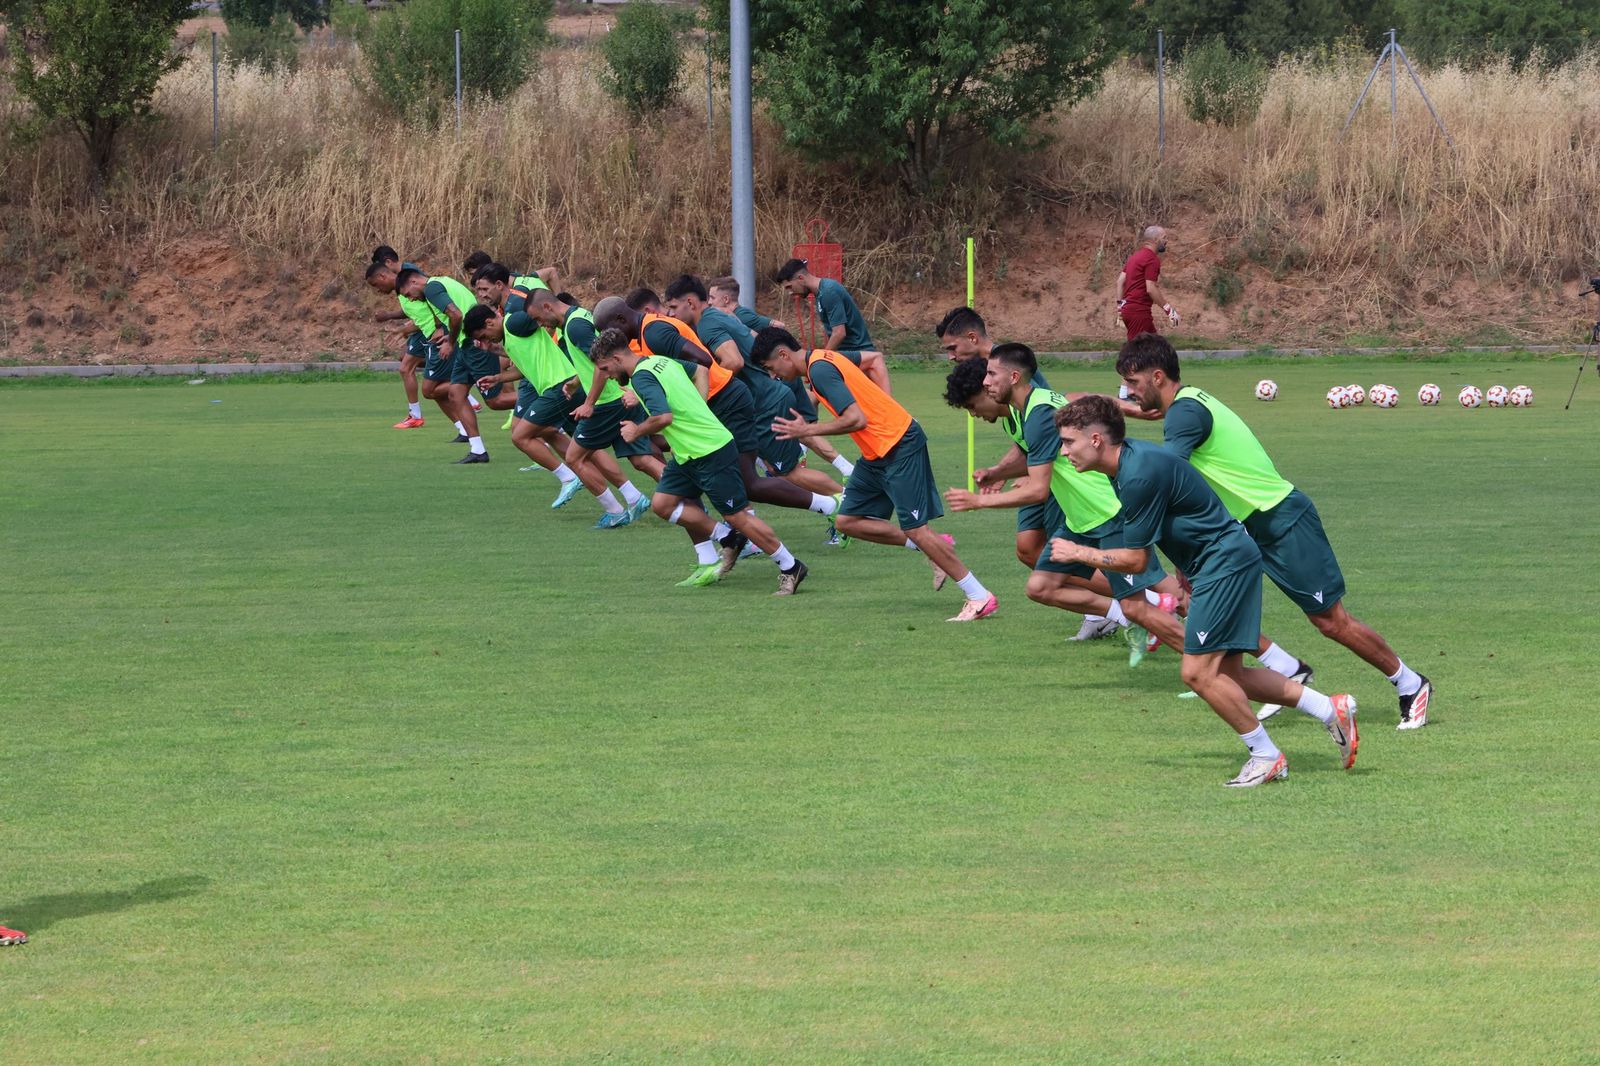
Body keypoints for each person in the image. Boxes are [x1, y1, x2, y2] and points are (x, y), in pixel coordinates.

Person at [1116, 333, 1433, 728]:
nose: (1128, 392)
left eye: (1132, 383)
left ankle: (1410, 682)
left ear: (1158, 377)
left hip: (1280, 519)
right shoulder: (1188, 403)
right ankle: (1285, 670)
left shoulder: (1184, 413)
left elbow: (1167, 473)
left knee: (1331, 621)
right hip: (1242, 530)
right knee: (1217, 611)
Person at [1052, 395, 1359, 787]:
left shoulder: (1137, 474)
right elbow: (1186, 506)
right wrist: (1185, 567)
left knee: (1197, 673)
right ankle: (1329, 709)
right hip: (1219, 562)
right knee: (1230, 674)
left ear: (1096, 439)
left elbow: (1136, 561)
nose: (1064, 451)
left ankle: (1267, 756)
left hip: (1224, 564)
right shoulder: (1130, 463)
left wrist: (1080, 552)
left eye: (1068, 442)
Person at [941, 348, 1189, 661]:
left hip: (1107, 512)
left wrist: (978, 501)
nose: (986, 382)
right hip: (1078, 521)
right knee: (1041, 587)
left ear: (1013, 377)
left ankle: (1212, 651)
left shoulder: (1039, 413)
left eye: (991, 375)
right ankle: (1129, 616)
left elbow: (1038, 490)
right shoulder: (1021, 411)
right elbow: (1050, 442)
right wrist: (998, 472)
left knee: (1168, 594)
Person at [752, 327, 998, 621]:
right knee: (847, 521)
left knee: (916, 528)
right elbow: (871, 364)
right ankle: (932, 547)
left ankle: (979, 596)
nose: (774, 375)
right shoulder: (822, 360)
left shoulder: (820, 369)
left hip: (899, 444)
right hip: (876, 454)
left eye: (771, 368)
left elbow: (856, 418)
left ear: (783, 354)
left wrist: (809, 430)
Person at [593, 291, 842, 532]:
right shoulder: (647, 332)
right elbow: (672, 372)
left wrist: (697, 407)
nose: (612, 336)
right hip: (723, 402)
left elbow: (701, 361)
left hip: (728, 401)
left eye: (609, 330)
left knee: (754, 482)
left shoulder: (655, 332)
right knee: (733, 477)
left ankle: (831, 504)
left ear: (621, 320)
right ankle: (741, 537)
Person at [590, 327, 809, 593]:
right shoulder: (660, 361)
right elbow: (699, 370)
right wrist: (699, 408)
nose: (607, 375)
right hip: (687, 454)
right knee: (662, 504)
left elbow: (663, 417)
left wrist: (636, 430)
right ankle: (727, 537)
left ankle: (790, 566)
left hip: (710, 450)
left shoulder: (641, 378)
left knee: (738, 516)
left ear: (615, 359)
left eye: (604, 368)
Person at [662, 274, 847, 541]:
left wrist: (708, 392)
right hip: (757, 402)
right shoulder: (719, 316)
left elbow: (733, 362)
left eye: (673, 307)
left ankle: (842, 505)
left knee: (787, 471)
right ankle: (747, 534)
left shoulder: (708, 326)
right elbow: (752, 336)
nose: (670, 313)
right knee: (745, 472)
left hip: (764, 403)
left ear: (690, 302)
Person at [462, 304, 642, 524]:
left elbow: (532, 315)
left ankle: (569, 478)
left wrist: (543, 315)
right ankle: (633, 496)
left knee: (520, 436)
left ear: (490, 322)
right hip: (568, 388)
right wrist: (498, 378)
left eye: (485, 335)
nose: (488, 340)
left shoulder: (512, 322)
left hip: (558, 388)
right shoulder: (510, 339)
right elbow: (524, 368)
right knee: (586, 449)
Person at [522, 287, 662, 526]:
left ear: (547, 307)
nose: (541, 324)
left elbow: (602, 362)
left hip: (607, 402)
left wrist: (589, 403)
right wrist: (577, 382)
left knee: (575, 457)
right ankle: (682, 499)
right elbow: (594, 360)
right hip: (618, 396)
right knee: (641, 459)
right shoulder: (578, 317)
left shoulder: (574, 326)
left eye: (538, 318)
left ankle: (615, 512)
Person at [710, 275, 853, 478]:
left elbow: (777, 326)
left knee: (780, 432)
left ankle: (785, 466)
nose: (709, 302)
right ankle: (842, 467)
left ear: (725, 300)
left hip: (775, 380)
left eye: (712, 298)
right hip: (779, 376)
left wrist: (772, 362)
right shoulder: (729, 318)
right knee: (801, 428)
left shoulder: (737, 316)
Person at [395, 266, 503, 463]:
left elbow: (456, 314)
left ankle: (553, 406)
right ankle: (478, 450)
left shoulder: (431, 289)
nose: (410, 299)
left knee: (496, 402)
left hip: (473, 343)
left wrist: (450, 342)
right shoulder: (442, 281)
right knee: (455, 393)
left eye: (408, 294)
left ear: (413, 282)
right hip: (465, 343)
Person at [775, 258, 892, 394]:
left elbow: (839, 333)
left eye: (789, 287)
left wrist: (818, 361)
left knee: (817, 393)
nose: (790, 293)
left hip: (857, 353)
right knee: (815, 392)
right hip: (846, 355)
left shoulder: (828, 292)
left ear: (800, 278)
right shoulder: (821, 293)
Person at [365, 253, 445, 431]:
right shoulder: (401, 287)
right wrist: (394, 319)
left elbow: (431, 308)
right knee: (406, 366)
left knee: (430, 387)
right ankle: (416, 415)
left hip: (434, 332)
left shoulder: (410, 276)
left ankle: (463, 394)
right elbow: (416, 310)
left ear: (384, 273)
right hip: (427, 330)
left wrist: (408, 328)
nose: (377, 290)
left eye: (376, 285)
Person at [1115, 226, 1180, 341]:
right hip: (1138, 313)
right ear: (1155, 239)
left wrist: (1120, 310)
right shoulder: (1152, 259)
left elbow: (1120, 282)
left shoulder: (1134, 257)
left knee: (1156, 349)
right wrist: (1169, 311)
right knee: (1138, 353)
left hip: (1130, 311)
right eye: (1164, 238)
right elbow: (1150, 288)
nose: (1166, 241)